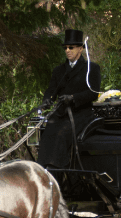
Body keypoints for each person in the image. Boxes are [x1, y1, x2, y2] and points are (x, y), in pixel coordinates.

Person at [37, 29, 102, 170]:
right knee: (47, 130)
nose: (67, 50)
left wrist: (73, 98)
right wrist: (47, 100)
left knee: (62, 132)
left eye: (71, 47)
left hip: (82, 113)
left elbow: (93, 92)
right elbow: (51, 90)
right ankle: (44, 168)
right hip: (61, 113)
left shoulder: (92, 68)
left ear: (80, 49)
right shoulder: (58, 70)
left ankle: (59, 169)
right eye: (65, 48)